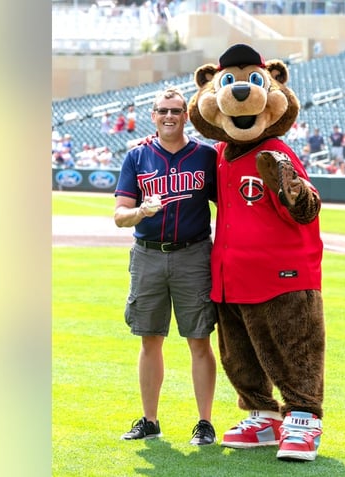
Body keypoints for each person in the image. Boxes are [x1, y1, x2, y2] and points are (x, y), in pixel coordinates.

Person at [113, 87, 219, 446]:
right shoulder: (137, 156)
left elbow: (231, 205)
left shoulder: (205, 156)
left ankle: (204, 422)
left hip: (193, 254)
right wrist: (140, 211)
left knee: (199, 339)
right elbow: (119, 216)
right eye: (162, 111)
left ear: (186, 115)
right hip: (148, 254)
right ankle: (150, 419)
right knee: (149, 338)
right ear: (153, 116)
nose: (169, 116)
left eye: (176, 110)